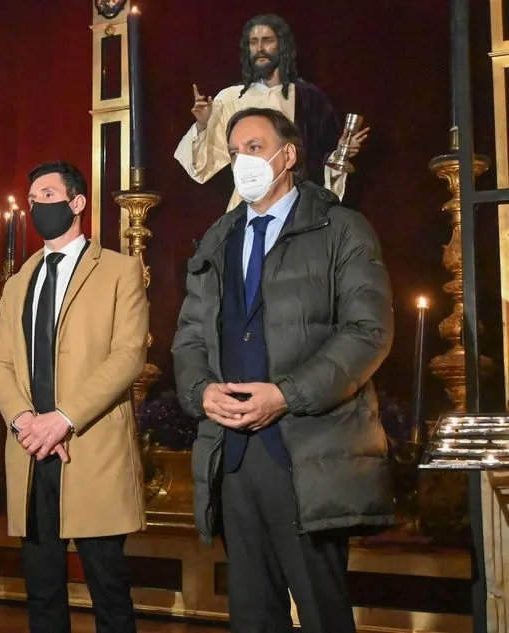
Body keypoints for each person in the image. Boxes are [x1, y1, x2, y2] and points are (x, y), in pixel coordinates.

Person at [172, 107, 394, 632]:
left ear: (287, 155)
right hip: (234, 459)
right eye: (233, 152)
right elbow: (190, 336)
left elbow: (368, 333)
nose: (241, 161)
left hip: (307, 454)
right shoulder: (219, 237)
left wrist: (286, 394)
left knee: (321, 613)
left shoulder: (340, 227)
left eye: (253, 147)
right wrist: (200, 391)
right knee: (252, 615)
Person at [0, 160, 148, 633]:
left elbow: (128, 356)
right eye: (33, 198)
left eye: (49, 196)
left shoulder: (120, 270)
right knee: (41, 588)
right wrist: (23, 421)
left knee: (108, 587)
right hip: (31, 451)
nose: (39, 205)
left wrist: (63, 418)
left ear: (77, 204)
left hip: (89, 444)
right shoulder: (18, 282)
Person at [174, 13, 369, 211]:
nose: (259, 49)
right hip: (248, 206)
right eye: (253, 42)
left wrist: (341, 153)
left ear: (281, 46)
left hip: (297, 207)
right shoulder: (231, 98)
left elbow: (321, 163)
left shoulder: (309, 98)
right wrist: (203, 125)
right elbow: (200, 167)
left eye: (267, 41)